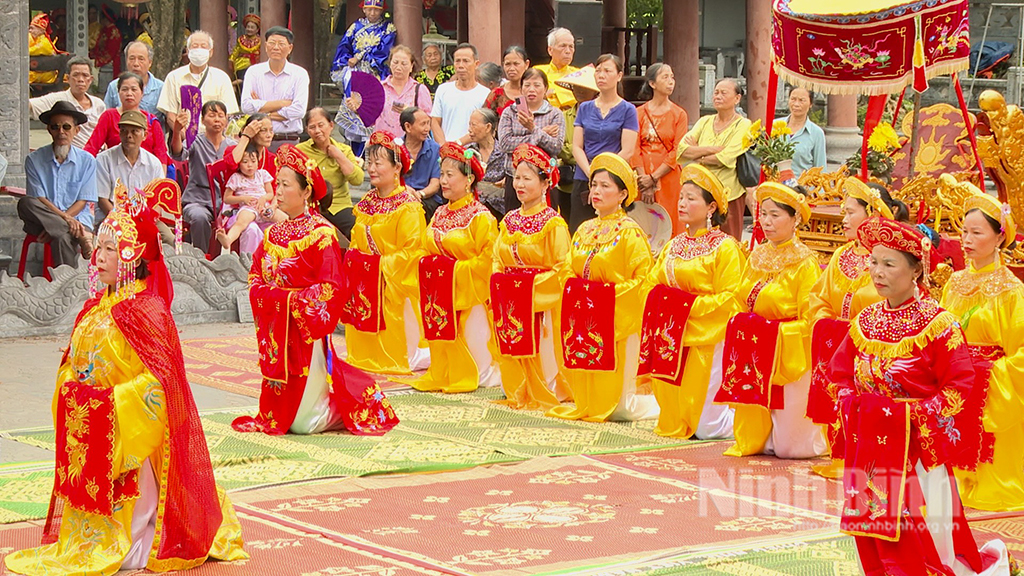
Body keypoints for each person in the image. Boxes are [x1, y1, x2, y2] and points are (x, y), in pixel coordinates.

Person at [3, 182, 247, 576]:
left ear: (133, 254)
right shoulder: (97, 306)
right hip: (96, 430)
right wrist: (71, 391)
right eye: (98, 247)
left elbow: (159, 387)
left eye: (110, 248)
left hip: (132, 450)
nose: (97, 257)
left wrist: (107, 406)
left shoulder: (147, 311)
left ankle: (145, 528)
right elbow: (71, 362)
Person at [829, 216, 1010, 575]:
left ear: (915, 271)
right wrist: (853, 402)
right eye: (873, 262)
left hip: (918, 452)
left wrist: (909, 418)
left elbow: (959, 387)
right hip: (871, 447)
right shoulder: (865, 321)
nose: (877, 272)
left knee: (930, 542)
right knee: (877, 535)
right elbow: (838, 375)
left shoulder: (938, 324)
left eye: (888, 264)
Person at [232, 145, 400, 435]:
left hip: (304, 333)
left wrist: (290, 300)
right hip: (278, 331)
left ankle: (344, 405)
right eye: (277, 183)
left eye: (286, 185)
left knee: (305, 422)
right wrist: (274, 296)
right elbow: (256, 277)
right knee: (283, 418)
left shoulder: (321, 235)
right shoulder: (273, 233)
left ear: (306, 192)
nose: (279, 191)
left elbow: (331, 288)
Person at [716, 182, 826, 459]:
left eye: (775, 215)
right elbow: (738, 300)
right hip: (754, 347)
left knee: (791, 449)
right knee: (760, 444)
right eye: (763, 213)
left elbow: (810, 319)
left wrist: (773, 333)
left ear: (795, 219)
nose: (766, 221)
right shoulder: (757, 255)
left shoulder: (805, 263)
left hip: (787, 355)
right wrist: (741, 324)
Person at [547, 153, 656, 422]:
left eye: (605, 186)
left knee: (620, 410)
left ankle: (659, 404)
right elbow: (567, 268)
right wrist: (577, 291)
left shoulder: (630, 232)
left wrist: (603, 297)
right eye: (594, 185)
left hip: (616, 320)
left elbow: (643, 281)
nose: (596, 191)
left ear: (622, 194)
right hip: (585, 316)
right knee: (587, 396)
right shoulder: (583, 229)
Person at [806, 178, 903, 476]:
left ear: (871, 214)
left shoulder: (892, 260)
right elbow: (818, 298)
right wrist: (825, 325)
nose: (843, 219)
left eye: (850, 212)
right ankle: (838, 457)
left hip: (872, 350)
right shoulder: (841, 255)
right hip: (836, 344)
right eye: (843, 212)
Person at [639, 164, 743, 439]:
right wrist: (670, 304)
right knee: (675, 420)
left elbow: (731, 299)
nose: (682, 203)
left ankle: (746, 419)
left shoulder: (725, 247)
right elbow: (651, 284)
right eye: (681, 196)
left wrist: (685, 307)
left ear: (711, 208)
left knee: (707, 428)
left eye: (691, 198)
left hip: (707, 337)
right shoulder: (674, 245)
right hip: (672, 336)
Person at [943, 190, 1024, 512]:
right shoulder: (954, 282)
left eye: (977, 233)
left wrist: (992, 372)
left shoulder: (1012, 291)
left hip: (990, 383)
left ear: (999, 236)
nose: (966, 239)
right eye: (963, 231)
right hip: (954, 377)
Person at [409, 142, 499, 393]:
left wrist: (451, 271)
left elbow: (487, 261)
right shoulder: (439, 213)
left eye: (450, 175)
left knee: (476, 358)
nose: (444, 181)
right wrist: (429, 266)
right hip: (440, 295)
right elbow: (424, 249)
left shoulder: (481, 217)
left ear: (469, 179)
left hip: (468, 298)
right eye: (443, 174)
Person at [342, 130, 430, 374]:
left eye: (378, 163)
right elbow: (356, 242)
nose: (371, 168)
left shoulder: (408, 207)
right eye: (369, 162)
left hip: (394, 286)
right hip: (366, 283)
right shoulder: (367, 202)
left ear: (396, 168)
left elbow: (413, 252)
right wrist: (356, 262)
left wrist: (378, 266)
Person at [492, 144, 570, 410]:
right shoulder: (510, 219)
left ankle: (542, 387)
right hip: (511, 298)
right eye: (517, 177)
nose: (520, 184)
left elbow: (562, 268)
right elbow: (496, 257)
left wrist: (528, 288)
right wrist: (500, 283)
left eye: (527, 178)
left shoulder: (553, 223)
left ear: (545, 182)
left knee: (541, 350)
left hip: (538, 303)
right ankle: (516, 388)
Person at [20, 101, 98, 268]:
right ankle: (82, 237)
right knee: (25, 202)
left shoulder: (87, 161)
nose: (61, 132)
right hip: (45, 220)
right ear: (49, 130)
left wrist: (60, 224)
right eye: (55, 127)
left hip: (79, 220)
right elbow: (39, 198)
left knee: (61, 236)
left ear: (76, 130)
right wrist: (66, 220)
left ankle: (66, 289)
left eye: (66, 127)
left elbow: (83, 201)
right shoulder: (34, 160)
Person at [569, 54, 638, 234]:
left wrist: (603, 171)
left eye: (607, 71)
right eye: (598, 71)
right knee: (579, 230)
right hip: (584, 175)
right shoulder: (584, 107)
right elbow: (577, 146)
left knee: (611, 231)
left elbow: (628, 150)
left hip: (613, 177)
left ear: (619, 75)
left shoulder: (628, 110)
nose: (601, 75)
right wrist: (592, 173)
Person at [677, 78, 751, 241]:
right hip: (701, 193)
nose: (718, 96)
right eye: (716, 93)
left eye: (724, 93)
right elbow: (682, 150)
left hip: (729, 192)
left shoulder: (744, 125)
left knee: (728, 241)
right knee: (699, 239)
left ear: (737, 98)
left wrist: (696, 154)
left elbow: (725, 157)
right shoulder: (704, 121)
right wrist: (711, 150)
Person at [495, 68, 565, 215]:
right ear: (521, 89)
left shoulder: (555, 114)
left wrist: (533, 128)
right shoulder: (510, 112)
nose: (531, 89)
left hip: (544, 178)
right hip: (515, 177)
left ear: (545, 88)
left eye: (537, 85)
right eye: (527, 85)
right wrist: (541, 133)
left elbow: (556, 146)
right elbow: (505, 143)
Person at [170, 100, 235, 254]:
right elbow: (178, 153)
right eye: (212, 115)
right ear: (203, 120)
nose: (217, 119)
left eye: (221, 116)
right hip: (197, 199)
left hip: (225, 201)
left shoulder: (233, 146)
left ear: (226, 120)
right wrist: (177, 131)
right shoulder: (196, 141)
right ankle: (201, 259)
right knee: (199, 218)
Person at [633, 63, 688, 236]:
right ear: (652, 83)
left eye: (672, 77)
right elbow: (634, 148)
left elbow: (677, 150)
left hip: (668, 177)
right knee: (642, 222)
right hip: (641, 178)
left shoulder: (679, 114)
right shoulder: (638, 113)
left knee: (669, 223)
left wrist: (653, 178)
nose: (670, 81)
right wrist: (644, 182)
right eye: (665, 77)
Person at [297, 107, 363, 240]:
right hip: (311, 207)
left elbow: (358, 180)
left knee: (357, 231)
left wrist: (339, 157)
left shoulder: (343, 150)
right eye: (312, 127)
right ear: (307, 130)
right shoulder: (300, 151)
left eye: (321, 125)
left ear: (331, 125)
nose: (317, 131)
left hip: (339, 206)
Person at [241, 26, 309, 150]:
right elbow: (246, 106)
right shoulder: (254, 72)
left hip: (288, 140)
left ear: (290, 48)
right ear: (266, 46)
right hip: (258, 141)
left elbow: (299, 110)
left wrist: (262, 112)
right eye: (272, 43)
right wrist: (282, 103)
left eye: (281, 44)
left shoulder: (300, 74)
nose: (276, 47)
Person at [95, 110, 164, 225]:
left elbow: (158, 202)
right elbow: (102, 200)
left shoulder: (153, 163)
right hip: (111, 220)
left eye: (135, 131)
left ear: (145, 135)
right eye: (124, 131)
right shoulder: (104, 160)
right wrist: (124, 222)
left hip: (145, 222)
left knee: (170, 239)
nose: (129, 136)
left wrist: (148, 221)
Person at [86, 72, 169, 166]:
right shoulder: (109, 116)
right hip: (113, 171)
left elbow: (161, 155)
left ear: (142, 93)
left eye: (134, 89)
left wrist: (160, 179)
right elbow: (92, 147)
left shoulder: (151, 120)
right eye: (124, 89)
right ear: (118, 92)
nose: (129, 93)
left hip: (147, 173)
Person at [549, 65, 598, 225]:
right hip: (567, 181)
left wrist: (577, 150)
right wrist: (577, 151)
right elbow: (560, 146)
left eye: (584, 87)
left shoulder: (601, 115)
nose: (579, 90)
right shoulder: (563, 116)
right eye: (576, 86)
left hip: (595, 177)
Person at [221, 114, 276, 254]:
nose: (269, 135)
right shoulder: (235, 151)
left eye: (271, 130)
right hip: (240, 210)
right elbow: (231, 163)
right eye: (263, 130)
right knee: (251, 229)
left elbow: (276, 192)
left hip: (266, 209)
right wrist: (246, 136)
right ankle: (249, 268)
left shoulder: (272, 159)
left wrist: (271, 208)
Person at [216, 145, 284, 253]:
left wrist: (264, 198)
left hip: (264, 207)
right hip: (248, 208)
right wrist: (243, 198)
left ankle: (295, 242)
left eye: (253, 161)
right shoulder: (236, 177)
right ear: (239, 164)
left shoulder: (262, 174)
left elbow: (271, 193)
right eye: (245, 162)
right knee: (241, 223)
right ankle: (228, 240)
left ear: (258, 161)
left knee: (284, 218)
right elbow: (227, 198)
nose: (250, 165)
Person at [157, 31, 240, 118]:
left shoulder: (222, 78)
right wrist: (181, 131)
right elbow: (170, 114)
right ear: (188, 51)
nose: (199, 49)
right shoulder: (173, 77)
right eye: (195, 46)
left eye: (203, 46)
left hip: (212, 130)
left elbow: (228, 113)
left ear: (211, 52)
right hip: (183, 130)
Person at [29, 56, 106, 148]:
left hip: (98, 155)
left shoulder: (99, 104)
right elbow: (28, 106)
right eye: (76, 75)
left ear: (90, 80)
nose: (80, 79)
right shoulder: (57, 99)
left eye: (85, 75)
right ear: (67, 78)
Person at [431, 43, 491, 145]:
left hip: (472, 152)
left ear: (476, 64)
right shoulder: (443, 90)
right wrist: (443, 146)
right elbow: (435, 121)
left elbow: (481, 127)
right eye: (457, 61)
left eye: (466, 61)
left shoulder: (485, 94)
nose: (461, 66)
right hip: (444, 152)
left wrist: (456, 145)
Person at [375, 45, 432, 139]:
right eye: (395, 62)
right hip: (383, 144)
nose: (398, 67)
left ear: (411, 66)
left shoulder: (419, 89)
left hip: (411, 145)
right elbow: (371, 118)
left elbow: (428, 120)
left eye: (404, 64)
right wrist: (358, 108)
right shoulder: (379, 88)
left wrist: (410, 113)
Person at [331, 0, 396, 81]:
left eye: (376, 10)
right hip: (353, 67)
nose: (372, 13)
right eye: (369, 10)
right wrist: (348, 60)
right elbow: (344, 46)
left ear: (381, 10)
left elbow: (384, 51)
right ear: (364, 9)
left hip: (376, 68)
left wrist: (359, 58)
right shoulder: (356, 26)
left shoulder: (388, 28)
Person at [400, 106, 442, 220]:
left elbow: (435, 184)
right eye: (423, 124)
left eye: (428, 124)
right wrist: (404, 190)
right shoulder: (394, 148)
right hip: (399, 196)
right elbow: (390, 179)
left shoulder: (435, 149)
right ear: (408, 127)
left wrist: (419, 194)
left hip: (426, 200)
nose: (427, 128)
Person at [103, 42, 165, 116]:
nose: (136, 64)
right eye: (132, 58)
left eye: (141, 59)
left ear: (150, 63)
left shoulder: (161, 88)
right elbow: (107, 116)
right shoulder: (114, 86)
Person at [780, 87, 826, 177]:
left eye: (802, 100)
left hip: (802, 188)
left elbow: (820, 170)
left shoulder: (816, 133)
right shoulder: (776, 126)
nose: (796, 104)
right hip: (774, 187)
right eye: (793, 99)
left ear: (810, 104)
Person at [535, 27, 579, 111]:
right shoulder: (538, 72)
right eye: (563, 46)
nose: (568, 51)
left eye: (571, 46)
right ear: (550, 50)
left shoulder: (579, 74)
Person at [484, 46, 530, 116]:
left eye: (516, 64)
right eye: (507, 64)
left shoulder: (535, 91)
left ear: (526, 64)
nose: (511, 68)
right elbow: (485, 119)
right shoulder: (496, 94)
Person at [90, 5, 122, 77]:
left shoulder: (114, 32)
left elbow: (111, 52)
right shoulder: (104, 30)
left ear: (105, 19)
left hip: (111, 63)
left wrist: (97, 61)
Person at [229, 14, 261, 83]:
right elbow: (235, 52)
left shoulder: (260, 41)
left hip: (255, 65)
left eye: (252, 27)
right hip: (242, 64)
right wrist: (231, 61)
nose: (249, 29)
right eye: (248, 27)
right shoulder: (241, 39)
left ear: (257, 30)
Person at [28, 13, 59, 85]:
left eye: (32, 28)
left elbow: (27, 52)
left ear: (41, 30)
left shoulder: (45, 43)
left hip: (46, 76)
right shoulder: (35, 40)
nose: (30, 31)